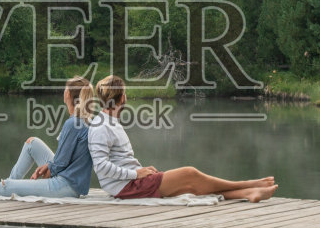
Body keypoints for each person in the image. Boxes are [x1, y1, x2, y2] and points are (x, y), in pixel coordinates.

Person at [87, 74, 277, 201]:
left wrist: (139, 170)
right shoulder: (101, 126)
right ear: (121, 98)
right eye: (125, 93)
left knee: (191, 187)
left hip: (131, 182)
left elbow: (118, 161)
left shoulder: (110, 123)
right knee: (189, 174)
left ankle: (248, 192)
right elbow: (101, 166)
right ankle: (247, 184)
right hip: (126, 186)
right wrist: (136, 174)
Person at [0, 77, 95, 199]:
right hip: (71, 180)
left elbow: (59, 164)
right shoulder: (84, 120)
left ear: (67, 94)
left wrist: (49, 168)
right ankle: (8, 186)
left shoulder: (74, 123)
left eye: (65, 88)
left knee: (9, 185)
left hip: (65, 186)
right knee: (32, 144)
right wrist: (50, 166)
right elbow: (64, 160)